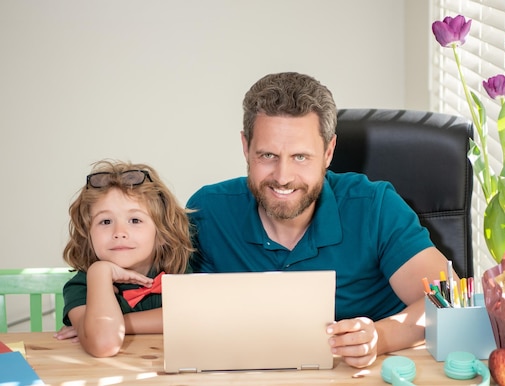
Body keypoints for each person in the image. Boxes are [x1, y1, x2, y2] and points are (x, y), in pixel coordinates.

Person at [186, 72, 456, 368]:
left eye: (301, 157)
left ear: (328, 152)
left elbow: (449, 300)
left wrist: (379, 337)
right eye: (267, 155)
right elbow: (181, 312)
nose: (283, 177)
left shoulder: (374, 207)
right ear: (245, 147)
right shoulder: (207, 212)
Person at [54, 160, 193, 357]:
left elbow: (192, 319)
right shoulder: (82, 285)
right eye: (105, 221)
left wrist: (116, 323)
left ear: (162, 233)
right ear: (88, 235)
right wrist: (100, 272)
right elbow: (104, 343)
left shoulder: (178, 272)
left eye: (135, 220)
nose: (119, 232)